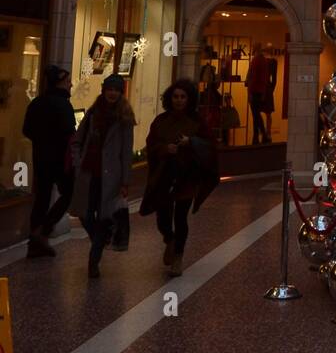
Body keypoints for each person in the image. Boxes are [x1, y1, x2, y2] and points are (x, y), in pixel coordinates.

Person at [141, 79, 219, 276]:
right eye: (176, 96)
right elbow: (151, 145)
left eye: (183, 97)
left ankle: (178, 256)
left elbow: (210, 146)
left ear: (189, 99)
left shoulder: (197, 122)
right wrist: (165, 149)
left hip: (187, 177)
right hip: (164, 176)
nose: (179, 100)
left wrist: (190, 142)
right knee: (163, 217)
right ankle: (170, 239)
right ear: (170, 98)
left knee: (181, 217)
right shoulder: (160, 121)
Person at [69, 74, 135, 279]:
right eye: (109, 89)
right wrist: (78, 163)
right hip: (89, 173)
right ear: (104, 90)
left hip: (111, 176)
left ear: (120, 92)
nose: (112, 93)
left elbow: (126, 152)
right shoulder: (92, 114)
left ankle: (93, 262)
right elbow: (77, 141)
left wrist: (125, 181)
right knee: (84, 214)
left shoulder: (125, 119)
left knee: (105, 217)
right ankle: (101, 239)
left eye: (116, 90)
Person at [21, 65, 76, 258]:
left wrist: (41, 140)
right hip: (60, 159)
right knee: (69, 193)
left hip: (41, 158)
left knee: (42, 198)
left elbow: (26, 130)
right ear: (60, 82)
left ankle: (35, 241)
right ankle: (42, 231)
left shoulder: (36, 103)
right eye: (68, 81)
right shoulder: (63, 105)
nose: (71, 84)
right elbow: (70, 132)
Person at [246, 46, 270, 144]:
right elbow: (265, 78)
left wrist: (249, 91)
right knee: (257, 113)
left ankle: (260, 135)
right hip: (261, 90)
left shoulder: (255, 61)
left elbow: (253, 77)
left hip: (254, 90)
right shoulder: (264, 61)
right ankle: (259, 135)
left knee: (255, 114)